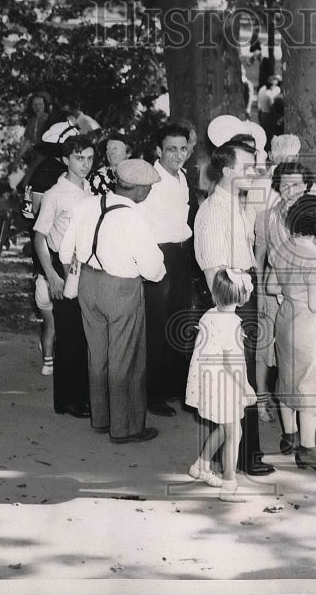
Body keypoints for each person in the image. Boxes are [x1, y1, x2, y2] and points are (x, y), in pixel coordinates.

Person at [59, 159, 166, 443]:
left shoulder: (87, 204)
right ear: (141, 190)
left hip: (88, 284)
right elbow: (153, 268)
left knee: (98, 354)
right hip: (121, 289)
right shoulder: (134, 218)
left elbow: (63, 250)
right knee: (126, 358)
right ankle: (126, 427)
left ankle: (101, 417)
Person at [194, 140, 275, 476]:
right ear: (227, 171)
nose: (253, 172)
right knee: (235, 380)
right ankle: (243, 458)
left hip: (243, 292)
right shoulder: (214, 211)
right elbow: (214, 272)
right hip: (230, 301)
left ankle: (231, 455)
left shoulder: (236, 205)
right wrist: (231, 315)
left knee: (241, 380)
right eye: (247, 167)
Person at [267, 194, 316, 473]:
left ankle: (289, 435)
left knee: (287, 376)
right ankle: (307, 450)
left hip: (284, 321)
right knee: (310, 384)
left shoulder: (281, 249)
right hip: (306, 326)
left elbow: (272, 287)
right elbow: (314, 302)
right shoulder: (314, 259)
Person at [33, 135, 94, 418]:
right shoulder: (56, 194)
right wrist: (51, 276)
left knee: (82, 334)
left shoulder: (88, 189)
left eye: (90, 159)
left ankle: (80, 396)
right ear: (67, 159)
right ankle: (68, 401)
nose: (85, 164)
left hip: (84, 266)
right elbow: (39, 236)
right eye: (79, 158)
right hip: (62, 267)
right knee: (69, 335)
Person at [185, 268, 257, 501]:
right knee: (234, 433)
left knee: (225, 428)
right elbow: (232, 362)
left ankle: (201, 466)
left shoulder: (209, 315)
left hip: (211, 384)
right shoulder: (232, 323)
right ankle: (229, 483)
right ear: (241, 297)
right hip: (227, 386)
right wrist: (246, 386)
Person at [140, 122, 194, 417]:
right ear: (158, 150)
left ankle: (174, 385)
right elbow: (141, 225)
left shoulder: (182, 177)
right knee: (157, 326)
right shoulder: (150, 179)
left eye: (182, 149)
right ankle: (152, 392)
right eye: (171, 149)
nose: (177, 155)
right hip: (158, 255)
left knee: (179, 321)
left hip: (180, 256)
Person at [253, 162, 314, 422]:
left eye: (297, 184)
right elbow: (259, 259)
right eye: (285, 184)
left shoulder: (313, 214)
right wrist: (258, 296)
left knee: (301, 348)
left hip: (302, 294)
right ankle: (261, 399)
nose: (291, 190)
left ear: (306, 186)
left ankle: (298, 402)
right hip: (272, 289)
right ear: (277, 186)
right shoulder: (266, 218)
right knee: (265, 346)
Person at [88, 131, 132, 195]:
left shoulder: (135, 176)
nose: (110, 152)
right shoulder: (97, 177)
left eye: (115, 148)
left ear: (128, 153)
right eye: (108, 149)